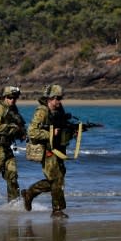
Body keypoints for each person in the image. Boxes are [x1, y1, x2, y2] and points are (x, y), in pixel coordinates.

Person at [21, 84, 73, 218]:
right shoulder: (42, 112)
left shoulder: (59, 110)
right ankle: (57, 210)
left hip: (58, 149)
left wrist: (72, 131)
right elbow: (32, 132)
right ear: (50, 98)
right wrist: (50, 133)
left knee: (57, 179)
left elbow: (62, 127)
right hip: (47, 151)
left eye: (60, 98)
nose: (59, 101)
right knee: (56, 180)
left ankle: (30, 193)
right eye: (57, 98)